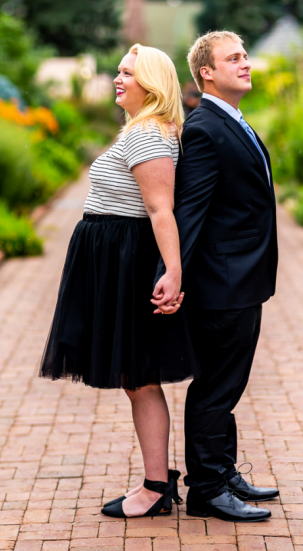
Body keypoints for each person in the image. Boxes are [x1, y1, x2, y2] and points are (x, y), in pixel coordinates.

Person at [40, 44, 196, 519]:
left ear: (151, 83)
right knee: (137, 378)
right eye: (119, 71)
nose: (117, 78)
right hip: (117, 258)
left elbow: (159, 208)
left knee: (140, 378)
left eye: (128, 73)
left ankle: (155, 487)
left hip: (128, 262)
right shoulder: (142, 129)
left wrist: (172, 270)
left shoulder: (148, 133)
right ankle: (156, 482)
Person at [168, 30, 279, 522]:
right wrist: (172, 274)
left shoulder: (231, 119)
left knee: (228, 383)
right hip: (222, 281)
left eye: (245, 55)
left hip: (242, 277)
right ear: (206, 73)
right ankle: (207, 489)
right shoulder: (204, 129)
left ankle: (223, 470)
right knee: (215, 385)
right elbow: (189, 211)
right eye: (233, 58)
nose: (246, 62)